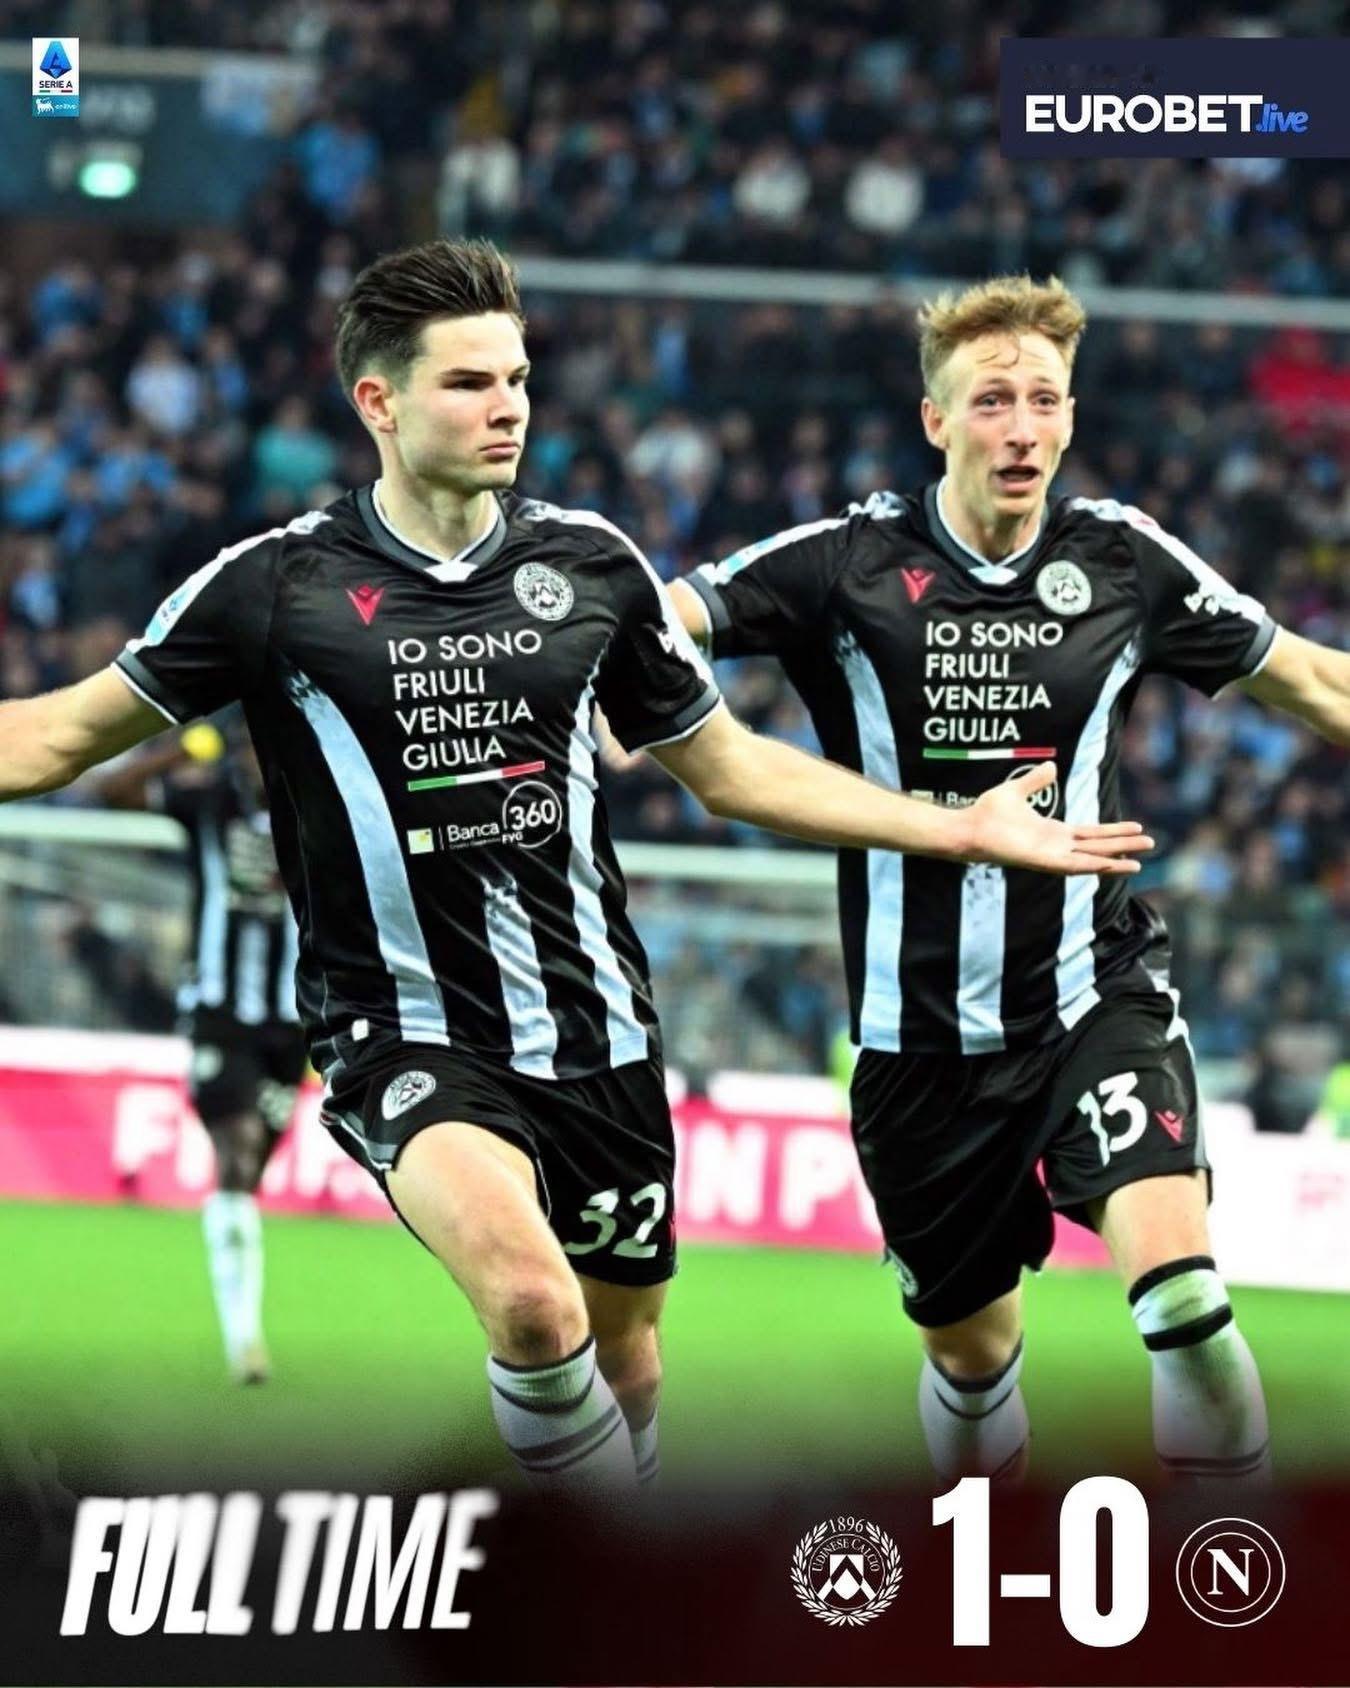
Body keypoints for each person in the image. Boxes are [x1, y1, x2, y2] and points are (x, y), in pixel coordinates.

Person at [0, 244, 1151, 1494]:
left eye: (517, 378)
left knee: (627, 1360)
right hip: (408, 1033)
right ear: (378, 401)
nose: (507, 407)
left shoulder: (593, 568)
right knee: (533, 1305)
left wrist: (959, 826)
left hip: (600, 1036)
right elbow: (55, 735)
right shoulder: (275, 587)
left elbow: (732, 767)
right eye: (468, 383)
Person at [672, 274, 1350, 1489]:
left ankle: (1239, 1572)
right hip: (918, 1048)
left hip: (1092, 998)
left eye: (1044, 399)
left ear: (1072, 416)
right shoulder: (846, 564)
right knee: (975, 1362)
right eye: (992, 400)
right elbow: (662, 620)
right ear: (937, 420)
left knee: (1185, 1301)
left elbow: (1309, 678)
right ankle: (983, 1561)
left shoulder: (1121, 560)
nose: (1022, 427)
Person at [96, 717, 306, 1385]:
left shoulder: (321, 811)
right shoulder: (209, 803)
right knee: (235, 1158)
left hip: (292, 1025)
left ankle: (241, 1314)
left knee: (250, 1174)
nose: (254, 763)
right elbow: (112, 793)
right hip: (219, 1017)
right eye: (246, 751)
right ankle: (244, 1338)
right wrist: (174, 753)